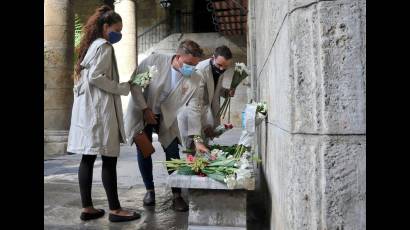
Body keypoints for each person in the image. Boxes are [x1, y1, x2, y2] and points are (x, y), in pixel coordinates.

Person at [67, 5, 140, 222]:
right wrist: (123, 88)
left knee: (87, 158)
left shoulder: (90, 46)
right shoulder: (104, 47)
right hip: (99, 111)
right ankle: (116, 210)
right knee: (109, 158)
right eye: (117, 29)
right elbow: (96, 77)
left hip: (89, 110)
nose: (119, 34)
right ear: (106, 26)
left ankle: (87, 208)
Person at [124, 40, 203, 212]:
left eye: (194, 65)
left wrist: (197, 139)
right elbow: (135, 85)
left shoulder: (195, 78)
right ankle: (149, 190)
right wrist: (145, 109)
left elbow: (195, 109)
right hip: (142, 110)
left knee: (173, 150)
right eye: (188, 63)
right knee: (144, 150)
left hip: (166, 116)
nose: (191, 68)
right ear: (178, 56)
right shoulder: (154, 61)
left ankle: (177, 194)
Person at [183, 45, 236, 153]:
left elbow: (215, 89)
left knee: (203, 152)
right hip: (194, 116)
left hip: (207, 115)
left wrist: (226, 92)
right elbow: (196, 103)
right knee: (192, 151)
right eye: (219, 65)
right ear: (213, 58)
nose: (222, 69)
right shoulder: (200, 71)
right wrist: (205, 125)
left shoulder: (220, 69)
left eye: (225, 66)